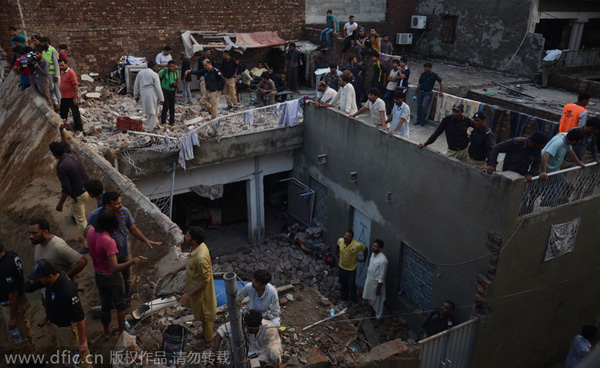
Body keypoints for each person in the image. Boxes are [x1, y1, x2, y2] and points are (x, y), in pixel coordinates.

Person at [86, 191, 161, 299]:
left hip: (123, 252)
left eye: (120, 202)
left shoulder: (124, 212)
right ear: (107, 205)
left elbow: (133, 229)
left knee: (128, 279)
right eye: (117, 204)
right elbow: (89, 232)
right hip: (106, 257)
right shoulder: (95, 216)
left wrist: (146, 240)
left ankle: (127, 299)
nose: (121, 205)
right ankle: (115, 300)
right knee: (112, 279)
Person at [87, 208, 146, 340]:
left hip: (98, 275)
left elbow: (88, 230)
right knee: (121, 305)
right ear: (112, 225)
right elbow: (114, 268)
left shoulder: (91, 232)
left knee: (105, 305)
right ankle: (121, 332)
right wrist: (132, 261)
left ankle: (107, 331)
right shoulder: (109, 241)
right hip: (111, 277)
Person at [24, 260, 92, 367]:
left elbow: (80, 318)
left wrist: (83, 342)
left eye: (39, 277)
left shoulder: (66, 291)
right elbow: (28, 288)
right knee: (68, 356)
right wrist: (33, 281)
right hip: (59, 327)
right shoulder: (50, 281)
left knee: (80, 361)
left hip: (68, 330)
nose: (38, 279)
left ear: (50, 276)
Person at [168, 226, 217, 349]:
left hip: (202, 294)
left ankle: (208, 341)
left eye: (188, 236)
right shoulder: (196, 248)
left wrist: (189, 294)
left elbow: (205, 280)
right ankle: (206, 334)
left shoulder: (201, 258)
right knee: (201, 315)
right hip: (195, 291)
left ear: (194, 241)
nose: (185, 236)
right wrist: (177, 270)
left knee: (206, 317)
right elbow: (190, 263)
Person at [51, 123, 90, 236]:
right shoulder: (71, 153)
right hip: (86, 188)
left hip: (79, 194)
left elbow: (66, 189)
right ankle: (73, 215)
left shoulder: (62, 167)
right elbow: (66, 143)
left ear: (54, 154)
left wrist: (60, 205)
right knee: (76, 208)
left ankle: (88, 244)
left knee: (82, 222)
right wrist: (61, 130)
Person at [213, 310, 282, 366]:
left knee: (274, 354)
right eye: (248, 328)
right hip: (250, 349)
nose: (249, 331)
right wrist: (214, 352)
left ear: (259, 325)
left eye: (252, 329)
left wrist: (247, 365)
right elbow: (221, 331)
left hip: (265, 350)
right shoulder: (242, 322)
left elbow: (264, 358)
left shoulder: (269, 330)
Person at [0, 242, 34, 353]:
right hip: (19, 299)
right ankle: (31, 346)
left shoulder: (5, 267)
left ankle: (30, 360)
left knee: (17, 334)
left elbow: (12, 293)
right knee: (23, 325)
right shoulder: (11, 255)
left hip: (12, 305)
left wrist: (12, 318)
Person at [484, 132, 548, 181]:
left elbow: (537, 162)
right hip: (507, 172)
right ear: (534, 143)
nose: (541, 147)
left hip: (521, 175)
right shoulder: (517, 142)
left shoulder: (536, 150)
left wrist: (530, 174)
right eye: (540, 145)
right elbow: (496, 148)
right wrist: (492, 164)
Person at [335, 230, 366, 304]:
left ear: (352, 237)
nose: (346, 237)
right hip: (341, 267)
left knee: (351, 285)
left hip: (351, 269)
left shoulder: (357, 245)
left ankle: (354, 300)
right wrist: (337, 253)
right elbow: (337, 246)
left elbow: (365, 249)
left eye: (348, 236)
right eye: (345, 235)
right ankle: (344, 298)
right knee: (343, 283)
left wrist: (363, 259)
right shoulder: (340, 241)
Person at [134, 61, 164, 131]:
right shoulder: (154, 74)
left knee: (148, 110)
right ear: (153, 67)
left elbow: (136, 85)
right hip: (152, 92)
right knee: (153, 111)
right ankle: (150, 129)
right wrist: (161, 98)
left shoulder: (140, 73)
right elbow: (158, 87)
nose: (157, 68)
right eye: (156, 67)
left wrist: (136, 95)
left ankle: (152, 125)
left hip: (143, 92)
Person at [362, 239, 388, 320]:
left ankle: (378, 317)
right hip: (370, 280)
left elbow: (382, 276)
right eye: (373, 246)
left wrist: (378, 288)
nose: (373, 247)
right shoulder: (373, 254)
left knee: (378, 301)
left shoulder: (383, 260)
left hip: (376, 284)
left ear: (380, 249)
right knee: (369, 296)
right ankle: (371, 310)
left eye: (375, 247)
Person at [414, 62, 443, 126]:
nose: (425, 68)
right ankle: (418, 120)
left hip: (428, 93)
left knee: (424, 107)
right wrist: (416, 93)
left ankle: (422, 121)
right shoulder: (422, 74)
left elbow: (441, 82)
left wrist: (441, 91)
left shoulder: (434, 75)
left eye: (427, 67)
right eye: (424, 67)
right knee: (419, 106)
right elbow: (419, 84)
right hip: (421, 91)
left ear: (430, 68)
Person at [58, 58, 83, 133]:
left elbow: (75, 85)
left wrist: (75, 98)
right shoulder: (62, 72)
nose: (61, 67)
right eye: (60, 66)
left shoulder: (71, 73)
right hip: (64, 96)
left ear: (67, 64)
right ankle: (62, 127)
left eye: (62, 65)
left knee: (75, 113)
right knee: (63, 112)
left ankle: (78, 128)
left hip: (71, 97)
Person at [40, 37, 61, 111]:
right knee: (51, 90)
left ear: (46, 42)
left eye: (42, 43)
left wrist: (56, 75)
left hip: (54, 75)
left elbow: (56, 64)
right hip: (48, 75)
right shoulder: (44, 51)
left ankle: (62, 107)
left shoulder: (53, 51)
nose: (41, 44)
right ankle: (56, 105)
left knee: (57, 92)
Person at [158, 60, 178, 127]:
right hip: (165, 91)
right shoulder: (164, 72)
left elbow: (177, 81)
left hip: (172, 91)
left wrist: (176, 90)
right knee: (166, 106)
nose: (172, 68)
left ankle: (172, 121)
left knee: (172, 107)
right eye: (170, 66)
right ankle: (163, 121)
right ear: (168, 66)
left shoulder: (176, 72)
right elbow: (157, 78)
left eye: (173, 66)